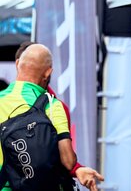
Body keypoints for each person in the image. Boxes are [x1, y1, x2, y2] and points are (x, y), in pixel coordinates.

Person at [0, 43, 104, 191]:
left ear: (17, 64)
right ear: (48, 72)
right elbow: (68, 161)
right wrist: (77, 168)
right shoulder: (53, 106)